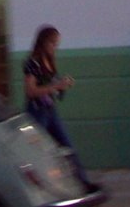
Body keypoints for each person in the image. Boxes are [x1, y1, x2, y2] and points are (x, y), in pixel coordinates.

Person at [22, 25, 90, 186]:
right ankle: (36, 185)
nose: (55, 47)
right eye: (52, 43)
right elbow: (31, 91)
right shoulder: (33, 63)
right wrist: (55, 87)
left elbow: (51, 84)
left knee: (67, 146)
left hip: (49, 109)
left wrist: (62, 85)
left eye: (56, 44)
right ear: (43, 42)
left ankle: (83, 183)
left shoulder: (49, 61)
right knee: (36, 151)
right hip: (38, 111)